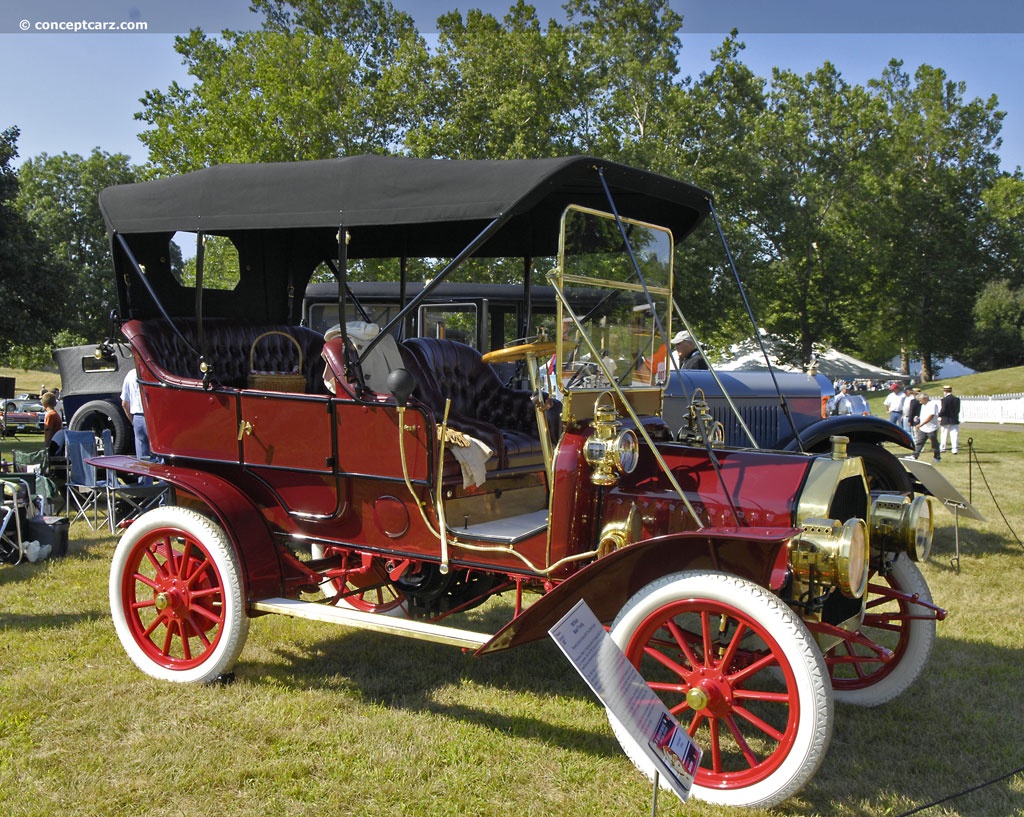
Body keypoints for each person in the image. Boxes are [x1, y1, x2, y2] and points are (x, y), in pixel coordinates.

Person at [120, 369, 152, 462]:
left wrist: (133, 421)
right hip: (153, 418)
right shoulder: (152, 371)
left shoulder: (130, 374)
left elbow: (125, 403)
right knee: (159, 456)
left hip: (137, 418)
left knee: (143, 458)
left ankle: (144, 476)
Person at [913, 393, 941, 461]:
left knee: (934, 444)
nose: (920, 402)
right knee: (919, 442)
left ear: (925, 399)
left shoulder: (932, 404)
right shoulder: (923, 405)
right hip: (923, 429)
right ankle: (915, 456)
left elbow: (931, 416)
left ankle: (937, 457)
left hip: (931, 428)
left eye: (920, 400)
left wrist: (921, 424)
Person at [939, 384, 961, 455]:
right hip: (954, 419)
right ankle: (955, 449)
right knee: (954, 434)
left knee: (944, 434)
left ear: (945, 391)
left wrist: (940, 415)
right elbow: (958, 410)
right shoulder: (957, 399)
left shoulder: (944, 400)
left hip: (945, 419)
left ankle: (943, 448)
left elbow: (943, 410)